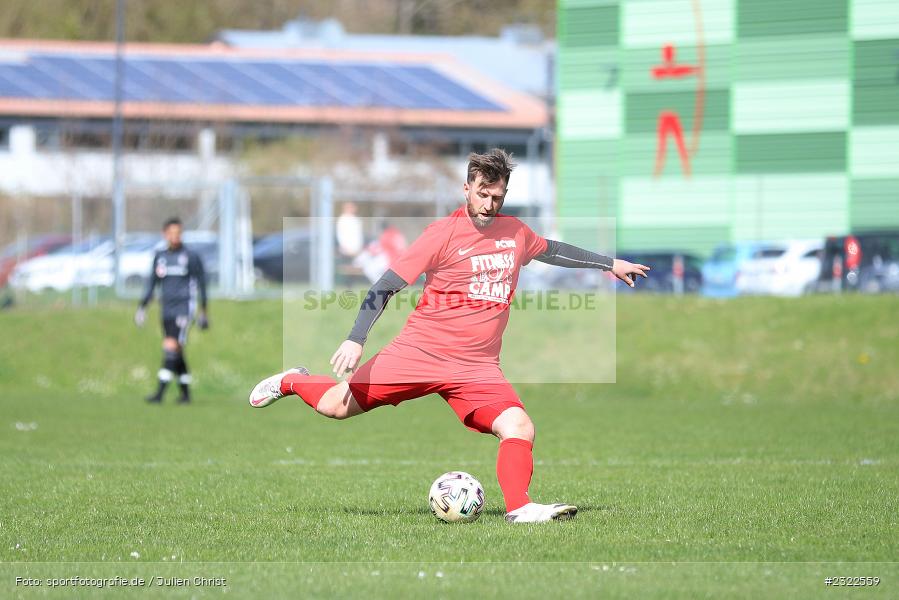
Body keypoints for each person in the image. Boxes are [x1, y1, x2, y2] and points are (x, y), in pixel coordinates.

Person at [249, 149, 649, 523]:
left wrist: (609, 263)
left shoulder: (514, 232)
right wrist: (356, 338)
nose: (490, 205)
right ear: (467, 189)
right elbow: (383, 286)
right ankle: (291, 380)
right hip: (419, 353)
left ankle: (520, 508)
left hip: (477, 368)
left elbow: (551, 250)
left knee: (520, 427)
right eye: (483, 194)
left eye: (498, 196)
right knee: (335, 406)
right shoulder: (442, 234)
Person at [135, 218, 209, 404]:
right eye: (172, 233)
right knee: (177, 352)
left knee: (171, 346)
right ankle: (185, 395)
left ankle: (159, 393)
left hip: (184, 308)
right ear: (165, 234)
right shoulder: (160, 257)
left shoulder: (190, 257)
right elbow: (152, 284)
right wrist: (142, 307)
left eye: (179, 233)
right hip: (166, 309)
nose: (175, 237)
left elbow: (202, 284)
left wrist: (203, 311)